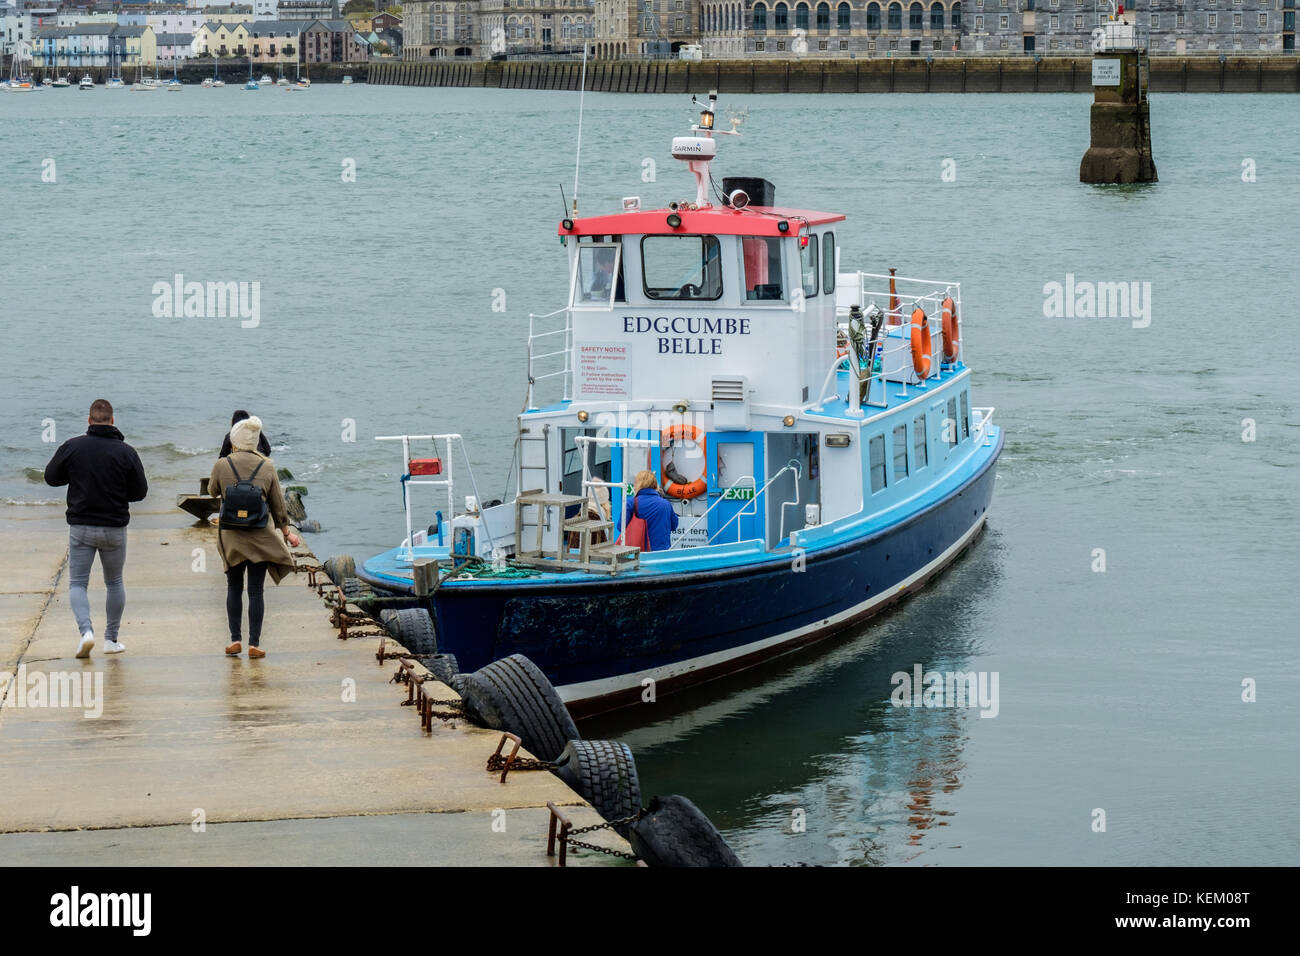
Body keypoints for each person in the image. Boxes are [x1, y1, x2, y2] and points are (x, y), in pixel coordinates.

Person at [43, 398, 148, 658]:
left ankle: (85, 632)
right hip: (114, 528)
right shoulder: (127, 452)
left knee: (78, 583)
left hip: (81, 527)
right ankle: (111, 640)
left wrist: (76, 475)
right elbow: (140, 492)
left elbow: (50, 477)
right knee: (114, 582)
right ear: (112, 421)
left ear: (89, 421)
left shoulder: (72, 447)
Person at [208, 416, 300, 659]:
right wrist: (287, 533)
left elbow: (212, 491)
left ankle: (235, 640)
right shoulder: (267, 466)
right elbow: (278, 505)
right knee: (256, 591)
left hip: (232, 537)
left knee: (233, 587)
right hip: (260, 536)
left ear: (234, 440)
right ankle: (254, 645)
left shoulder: (222, 464)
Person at [620, 469, 678, 553]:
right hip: (662, 552)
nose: (634, 486)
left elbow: (620, 527)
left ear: (640, 484)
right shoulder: (666, 504)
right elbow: (674, 525)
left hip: (638, 552)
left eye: (635, 483)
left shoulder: (631, 503)